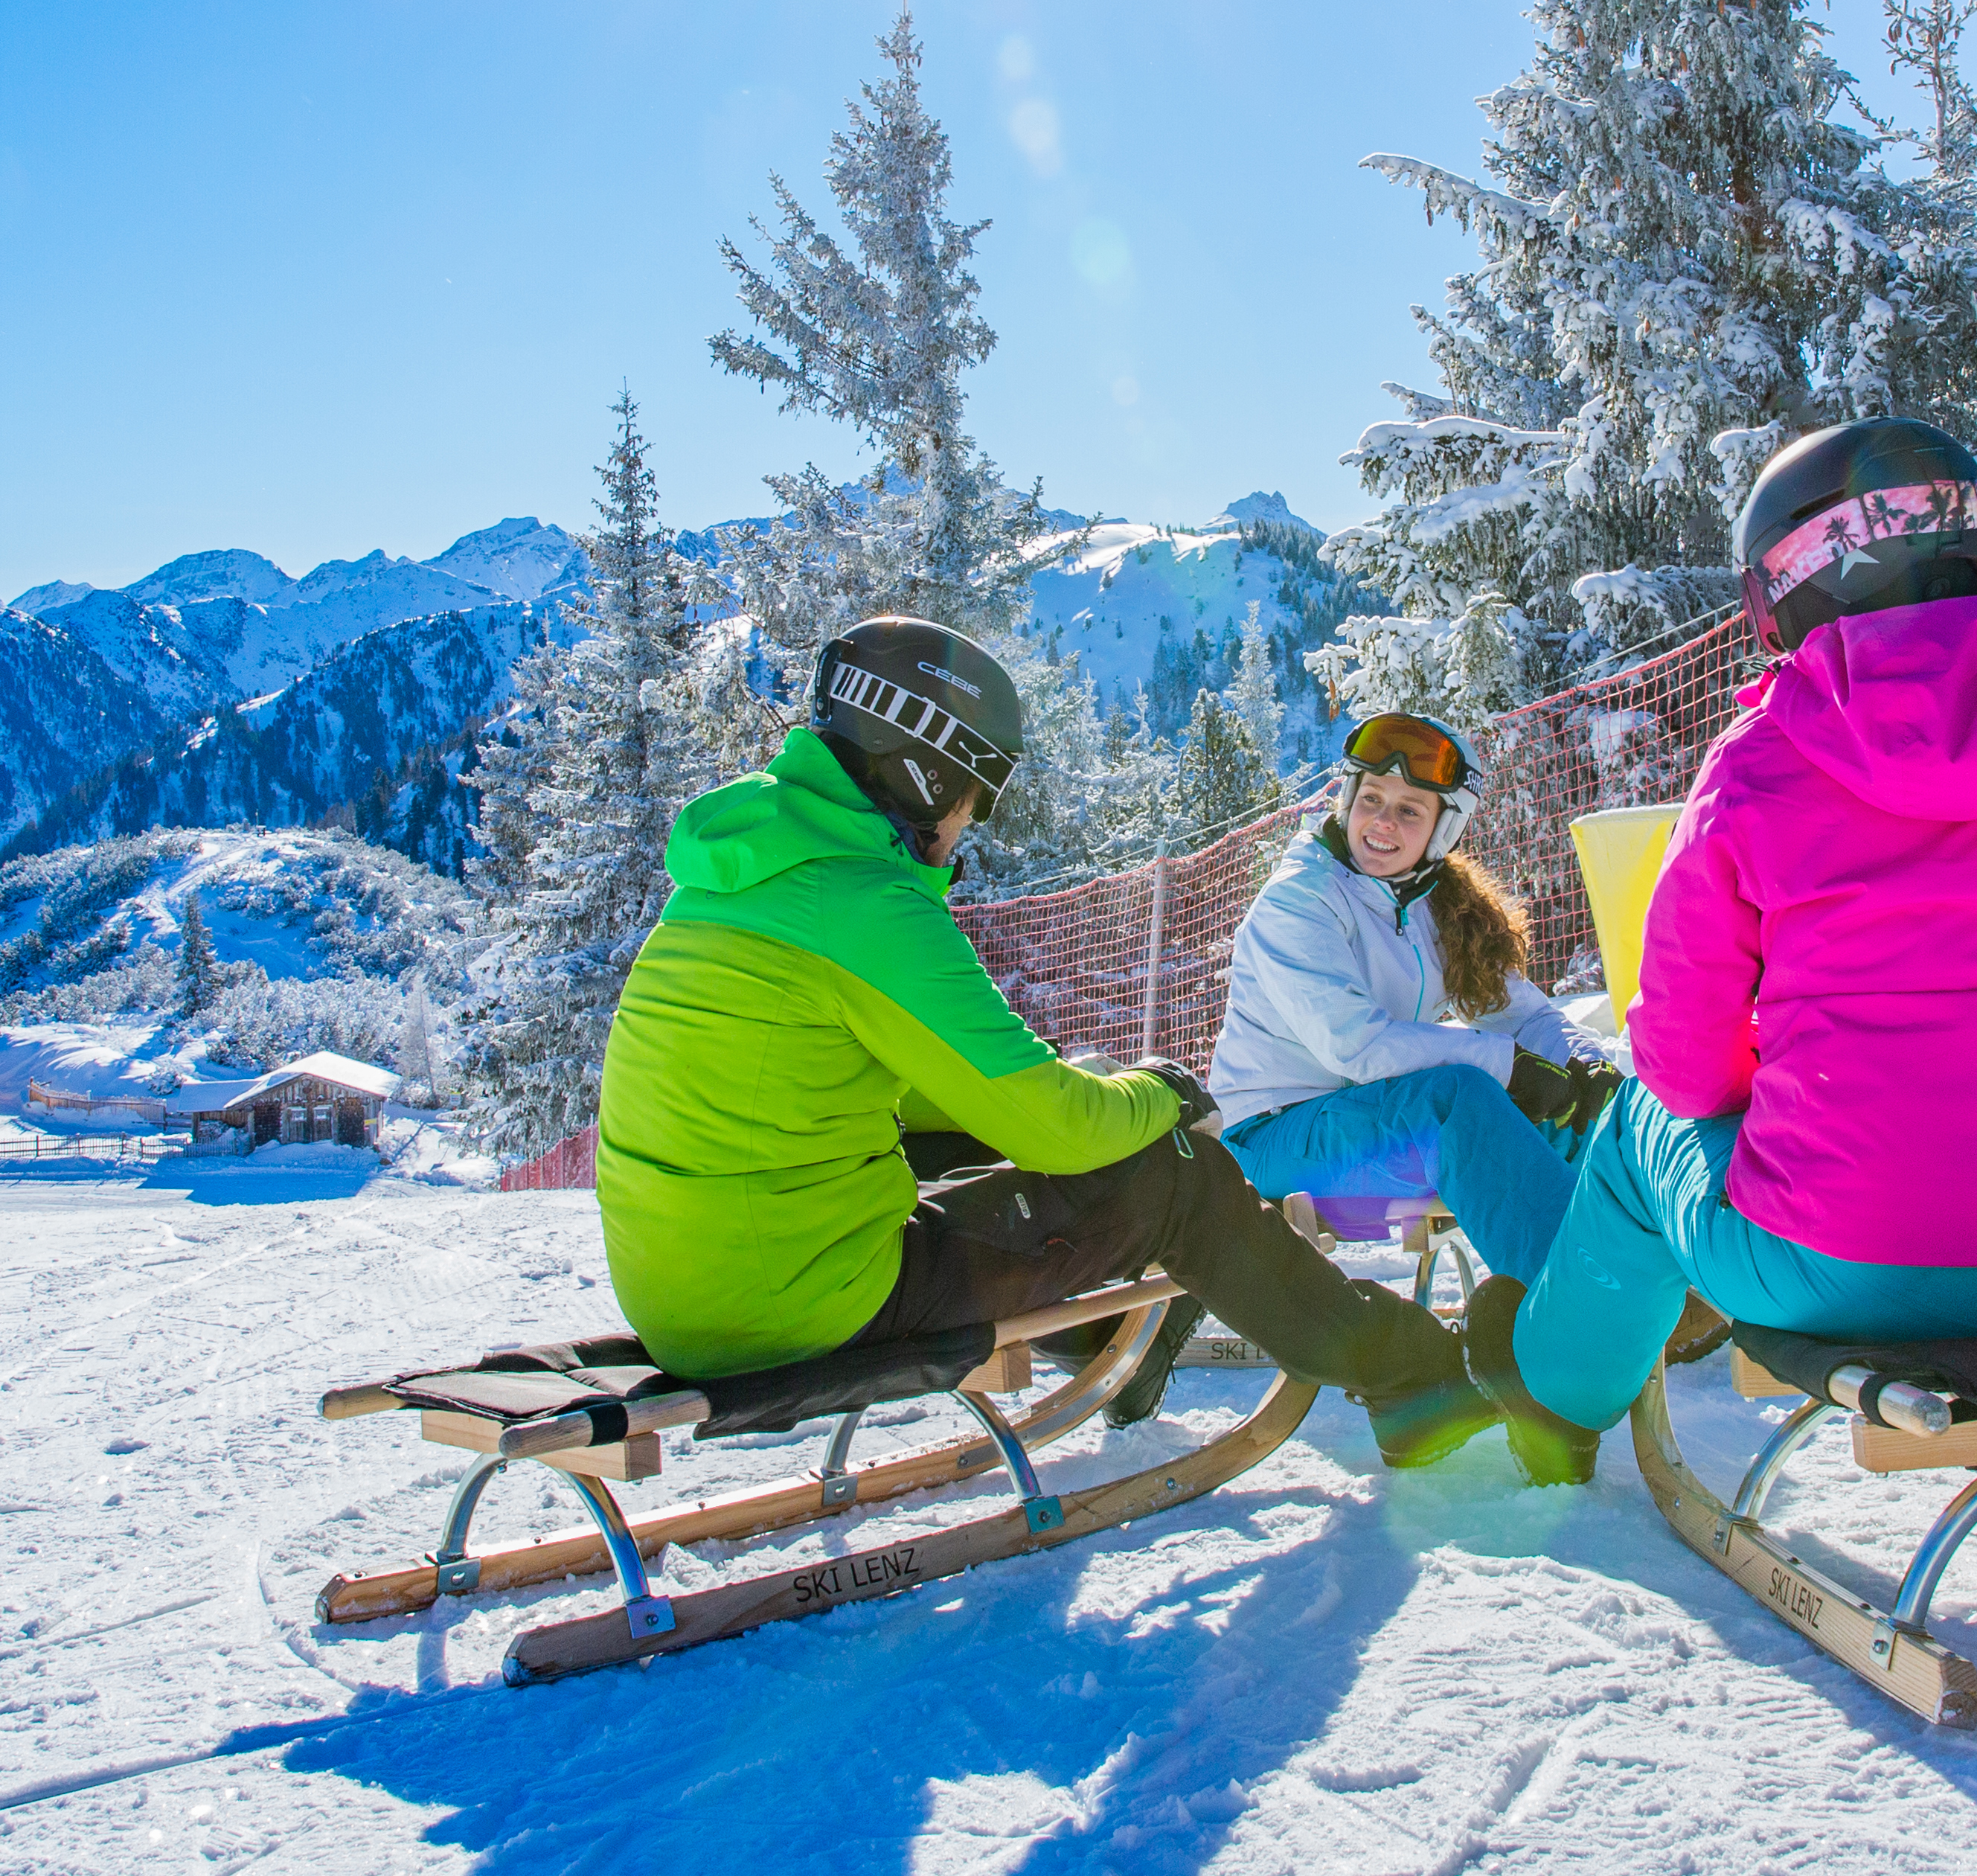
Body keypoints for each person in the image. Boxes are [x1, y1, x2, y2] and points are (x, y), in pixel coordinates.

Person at [592, 613, 1501, 1464]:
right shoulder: (864, 902)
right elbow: (1053, 1128)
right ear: (927, 773)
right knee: (1174, 1172)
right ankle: (1415, 1376)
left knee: (1005, 1139)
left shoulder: (743, 873)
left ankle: (1115, 1346)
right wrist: (1163, 1092)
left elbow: (932, 1093)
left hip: (688, 1298)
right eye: (976, 795)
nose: (971, 824)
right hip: (800, 1305)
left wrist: (1070, 1090)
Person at [1477, 420, 1977, 1477]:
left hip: (1845, 1262)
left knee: (1636, 1124)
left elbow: (1683, 1060)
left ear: (1785, 584)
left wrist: (1788, 1094)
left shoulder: (1761, 760)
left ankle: (1555, 1397)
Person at [1207, 711, 1610, 1281]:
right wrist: (1507, 1065)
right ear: (1348, 799)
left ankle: (1651, 1274)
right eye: (1372, 798)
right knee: (1460, 1099)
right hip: (1270, 1140)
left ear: (1443, 829)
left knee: (1576, 1111)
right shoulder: (1300, 898)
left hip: (1367, 1121)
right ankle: (1575, 1297)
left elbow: (1520, 1014)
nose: (1382, 822)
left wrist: (1584, 1066)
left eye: (1409, 810)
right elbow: (1358, 1047)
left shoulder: (1432, 905)